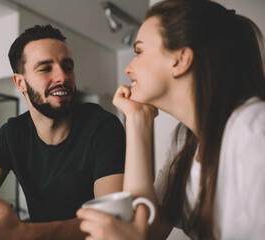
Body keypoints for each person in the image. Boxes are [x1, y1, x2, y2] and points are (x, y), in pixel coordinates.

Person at [77, 0, 265, 239]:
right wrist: (136, 120)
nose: (128, 68)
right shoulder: (184, 139)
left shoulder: (254, 129)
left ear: (180, 60)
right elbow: (147, 229)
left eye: (139, 52)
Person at [0, 24, 125, 240]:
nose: (62, 77)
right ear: (20, 82)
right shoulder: (11, 134)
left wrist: (23, 233)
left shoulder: (103, 127)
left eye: (68, 67)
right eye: (46, 68)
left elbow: (110, 219)